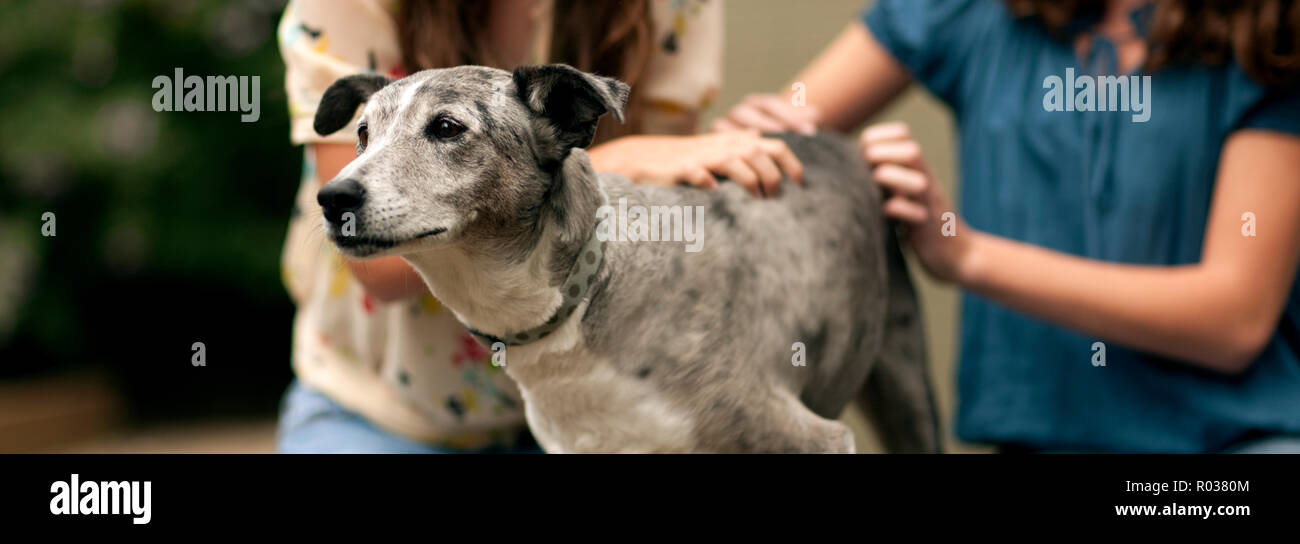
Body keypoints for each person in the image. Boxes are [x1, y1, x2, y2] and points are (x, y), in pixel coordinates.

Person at [716, 0, 1300, 452]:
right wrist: (747, 143)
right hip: (1034, 445)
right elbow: (756, 149)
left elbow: (1235, 319)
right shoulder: (973, 12)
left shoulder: (1269, 37)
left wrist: (966, 254)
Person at [275, 0, 803, 453]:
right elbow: (378, 269)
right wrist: (633, 158)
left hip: (598, 398)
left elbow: (660, 211)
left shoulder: (668, 5)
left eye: (445, 129)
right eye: (365, 135)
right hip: (380, 409)